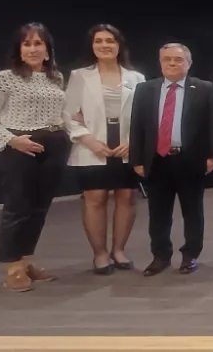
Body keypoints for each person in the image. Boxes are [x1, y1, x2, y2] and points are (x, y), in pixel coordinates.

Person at [0, 22, 71, 292]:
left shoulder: (55, 77)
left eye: (38, 43)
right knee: (18, 206)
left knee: (40, 207)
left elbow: (58, 112)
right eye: (26, 44)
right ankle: (13, 267)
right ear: (19, 49)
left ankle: (26, 260)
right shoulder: (3, 79)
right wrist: (11, 140)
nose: (32, 49)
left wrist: (68, 130)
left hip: (53, 144)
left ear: (48, 50)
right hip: (18, 146)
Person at [129, 43, 213, 276]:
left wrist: (211, 155)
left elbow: (211, 125)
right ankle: (160, 256)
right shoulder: (145, 89)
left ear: (189, 63)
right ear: (160, 62)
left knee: (193, 211)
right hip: (157, 160)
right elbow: (137, 126)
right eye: (167, 59)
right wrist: (136, 159)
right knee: (158, 213)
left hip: (190, 160)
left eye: (178, 59)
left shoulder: (204, 88)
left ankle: (190, 255)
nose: (172, 63)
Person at [63, 24, 145, 274]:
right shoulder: (79, 76)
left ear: (119, 45)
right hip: (92, 146)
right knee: (95, 198)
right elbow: (68, 114)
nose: (104, 45)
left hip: (126, 147)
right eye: (98, 41)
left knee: (126, 198)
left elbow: (143, 116)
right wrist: (88, 140)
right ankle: (100, 254)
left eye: (110, 40)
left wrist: (133, 142)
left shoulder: (136, 78)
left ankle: (118, 250)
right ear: (92, 46)